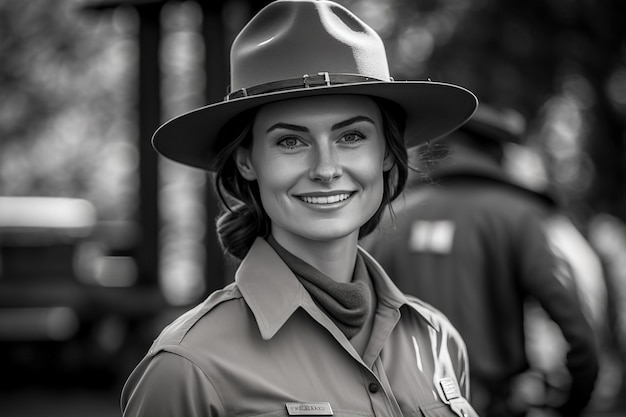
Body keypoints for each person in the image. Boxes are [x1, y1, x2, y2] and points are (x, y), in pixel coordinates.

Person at [120, 1, 480, 416]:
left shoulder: (437, 340)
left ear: (386, 152)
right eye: (291, 141)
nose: (326, 169)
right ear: (247, 161)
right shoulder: (188, 368)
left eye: (352, 137)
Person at [361, 104, 599, 417]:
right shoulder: (519, 215)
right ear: (498, 151)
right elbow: (579, 336)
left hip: (399, 403)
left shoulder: (392, 215)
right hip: (492, 404)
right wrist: (572, 404)